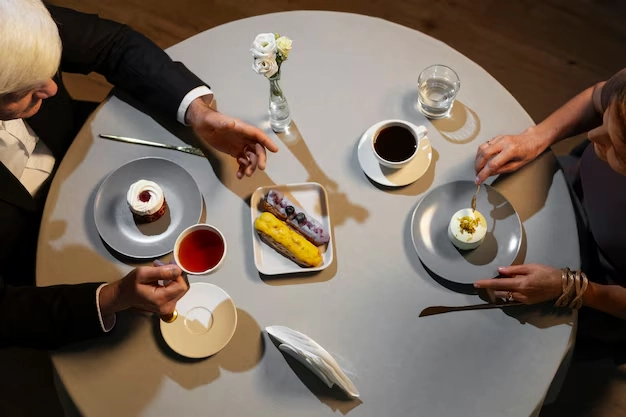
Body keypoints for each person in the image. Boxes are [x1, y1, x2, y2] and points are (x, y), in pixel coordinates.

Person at [0, 0, 278, 349]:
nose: (53, 89)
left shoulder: (11, 19)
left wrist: (197, 113)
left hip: (91, 155)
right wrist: (112, 297)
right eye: (24, 90)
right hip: (35, 267)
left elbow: (111, 44)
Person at [473, 67, 626, 325]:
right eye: (606, 119)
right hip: (568, 185)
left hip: (601, 285)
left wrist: (574, 289)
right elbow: (596, 97)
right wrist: (535, 137)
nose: (592, 136)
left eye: (617, 147)